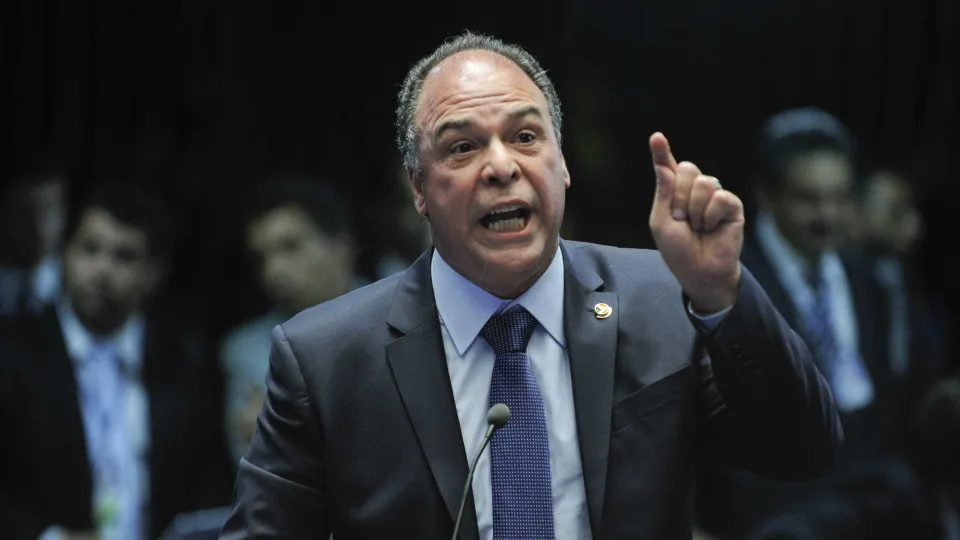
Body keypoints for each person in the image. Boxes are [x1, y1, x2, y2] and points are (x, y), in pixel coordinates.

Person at [220, 31, 842, 539]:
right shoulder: (325, 358)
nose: (501, 166)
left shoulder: (662, 300)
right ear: (418, 188)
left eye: (525, 136)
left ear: (561, 163)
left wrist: (721, 294)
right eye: (462, 147)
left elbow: (803, 451)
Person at [0, 181, 233, 540]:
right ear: (64, 253)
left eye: (125, 256)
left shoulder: (186, 360)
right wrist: (50, 537)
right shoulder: (13, 352)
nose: (102, 270)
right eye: (89, 249)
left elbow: (206, 482)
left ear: (155, 273)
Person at [220, 174, 366, 464]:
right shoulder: (247, 352)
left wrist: (289, 422)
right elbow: (258, 466)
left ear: (342, 245)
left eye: (290, 247)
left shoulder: (405, 315)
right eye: (261, 258)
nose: (273, 271)